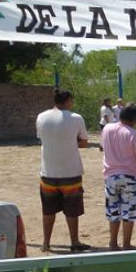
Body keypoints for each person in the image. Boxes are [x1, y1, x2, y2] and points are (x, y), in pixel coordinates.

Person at [36, 89, 91, 253]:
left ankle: (46, 243)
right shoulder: (76, 118)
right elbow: (83, 143)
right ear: (67, 100)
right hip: (70, 172)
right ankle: (74, 242)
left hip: (48, 172)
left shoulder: (41, 117)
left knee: (48, 211)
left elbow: (42, 138)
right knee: (72, 211)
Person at [100, 102, 136, 251]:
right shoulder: (134, 134)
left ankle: (113, 243)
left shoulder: (107, 129)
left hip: (110, 176)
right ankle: (126, 244)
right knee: (129, 211)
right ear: (135, 119)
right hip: (129, 176)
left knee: (113, 210)